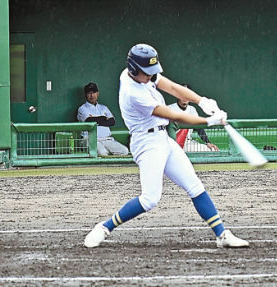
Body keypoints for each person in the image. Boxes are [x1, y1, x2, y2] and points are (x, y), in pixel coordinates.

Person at [84, 43, 249, 248]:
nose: (152, 76)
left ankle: (222, 235)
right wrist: (209, 121)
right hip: (146, 143)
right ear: (135, 70)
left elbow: (170, 86)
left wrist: (202, 101)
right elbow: (173, 115)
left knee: (195, 186)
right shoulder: (133, 94)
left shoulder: (142, 73)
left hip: (163, 139)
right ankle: (104, 227)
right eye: (148, 73)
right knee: (150, 199)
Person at [77, 82, 129, 156]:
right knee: (103, 153)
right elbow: (89, 121)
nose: (92, 95)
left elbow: (112, 122)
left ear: (97, 93)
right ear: (86, 95)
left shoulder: (104, 108)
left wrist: (96, 121)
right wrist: (103, 118)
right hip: (90, 139)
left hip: (106, 139)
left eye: (94, 92)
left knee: (124, 151)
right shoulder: (82, 108)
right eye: (89, 93)